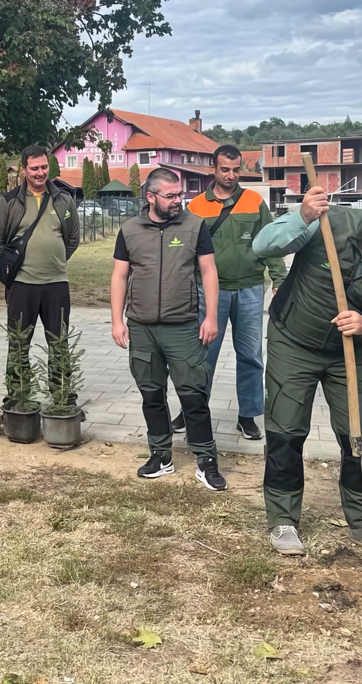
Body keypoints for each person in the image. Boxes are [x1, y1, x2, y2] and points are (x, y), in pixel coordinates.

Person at [253, 190, 362, 558]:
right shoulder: (326, 224)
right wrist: (301, 216)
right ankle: (283, 519)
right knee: (285, 431)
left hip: (348, 350)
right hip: (292, 340)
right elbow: (263, 246)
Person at [111, 168, 227, 490]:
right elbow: (120, 275)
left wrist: (211, 316)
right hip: (143, 328)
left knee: (193, 395)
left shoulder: (194, 226)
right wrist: (117, 320)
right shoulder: (130, 230)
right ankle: (160, 455)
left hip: (183, 326)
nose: (179, 200)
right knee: (151, 394)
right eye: (171, 195)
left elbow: (209, 271)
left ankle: (206, 460)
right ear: (151, 197)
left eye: (180, 195)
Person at [175, 144, 286, 440]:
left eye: (236, 170)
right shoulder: (196, 206)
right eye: (225, 169)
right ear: (214, 169)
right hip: (210, 293)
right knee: (202, 356)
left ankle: (248, 415)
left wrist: (279, 279)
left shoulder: (253, 201)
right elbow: (185, 252)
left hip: (250, 289)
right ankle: (192, 410)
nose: (231, 175)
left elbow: (271, 242)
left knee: (250, 355)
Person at [0, 144, 80, 401]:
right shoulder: (9, 202)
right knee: (18, 343)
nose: (40, 173)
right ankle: (18, 397)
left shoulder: (64, 199)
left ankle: (62, 398)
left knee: (59, 343)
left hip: (56, 284)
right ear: (24, 169)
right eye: (34, 168)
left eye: (44, 167)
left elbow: (72, 238)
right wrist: (15, 263)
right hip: (22, 285)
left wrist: (55, 259)